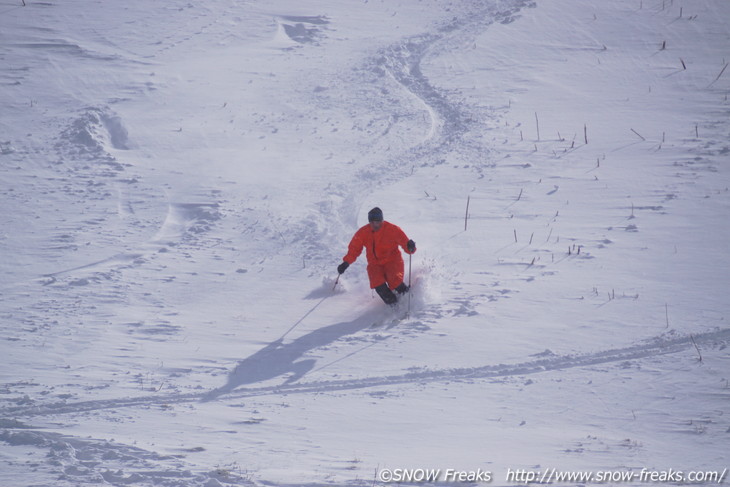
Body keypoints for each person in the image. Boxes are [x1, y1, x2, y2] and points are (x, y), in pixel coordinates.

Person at [337, 207, 416, 305]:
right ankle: (395, 307)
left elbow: (406, 245)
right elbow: (354, 249)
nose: (375, 225)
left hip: (392, 260)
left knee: (395, 280)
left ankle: (411, 301)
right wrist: (346, 262)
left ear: (382, 220)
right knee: (377, 283)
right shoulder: (363, 232)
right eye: (372, 222)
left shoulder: (392, 229)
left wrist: (410, 246)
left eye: (377, 222)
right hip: (374, 264)